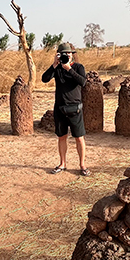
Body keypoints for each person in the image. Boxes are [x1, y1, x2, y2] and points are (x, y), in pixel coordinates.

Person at [41, 42, 89, 176]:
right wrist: (54, 65)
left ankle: (82, 165)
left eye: (68, 53)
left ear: (72, 55)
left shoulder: (78, 67)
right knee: (62, 137)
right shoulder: (56, 68)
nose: (66, 55)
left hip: (75, 109)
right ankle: (62, 163)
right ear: (59, 55)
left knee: (79, 137)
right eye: (63, 54)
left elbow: (83, 82)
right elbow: (44, 79)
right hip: (60, 109)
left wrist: (69, 69)